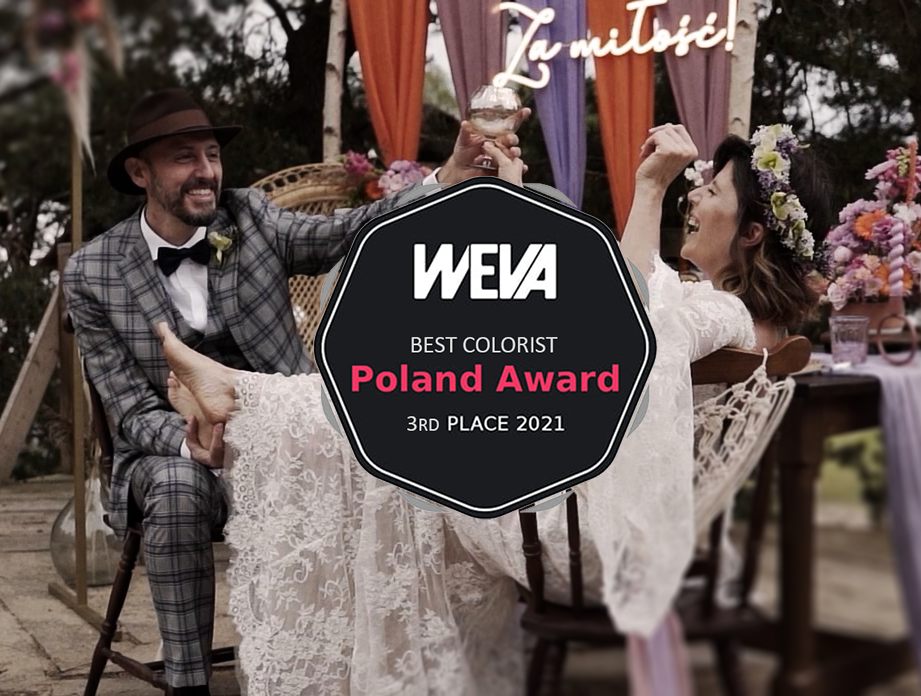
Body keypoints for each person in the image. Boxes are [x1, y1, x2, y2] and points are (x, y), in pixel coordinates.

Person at [156, 122, 834, 694]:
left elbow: (625, 323)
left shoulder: (724, 314)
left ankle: (241, 401)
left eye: (712, 190)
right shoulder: (723, 309)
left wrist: (651, 186)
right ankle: (242, 401)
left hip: (590, 536)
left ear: (751, 232)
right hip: (596, 517)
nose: (695, 194)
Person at [63, 87, 528, 694]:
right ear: (139, 173)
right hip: (180, 451)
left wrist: (448, 176)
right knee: (176, 489)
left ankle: (377, 661)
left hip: (290, 437)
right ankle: (188, 682)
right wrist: (198, 444)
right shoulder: (93, 272)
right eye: (184, 158)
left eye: (212, 154)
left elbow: (347, 231)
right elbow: (127, 409)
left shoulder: (249, 216)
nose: (206, 171)